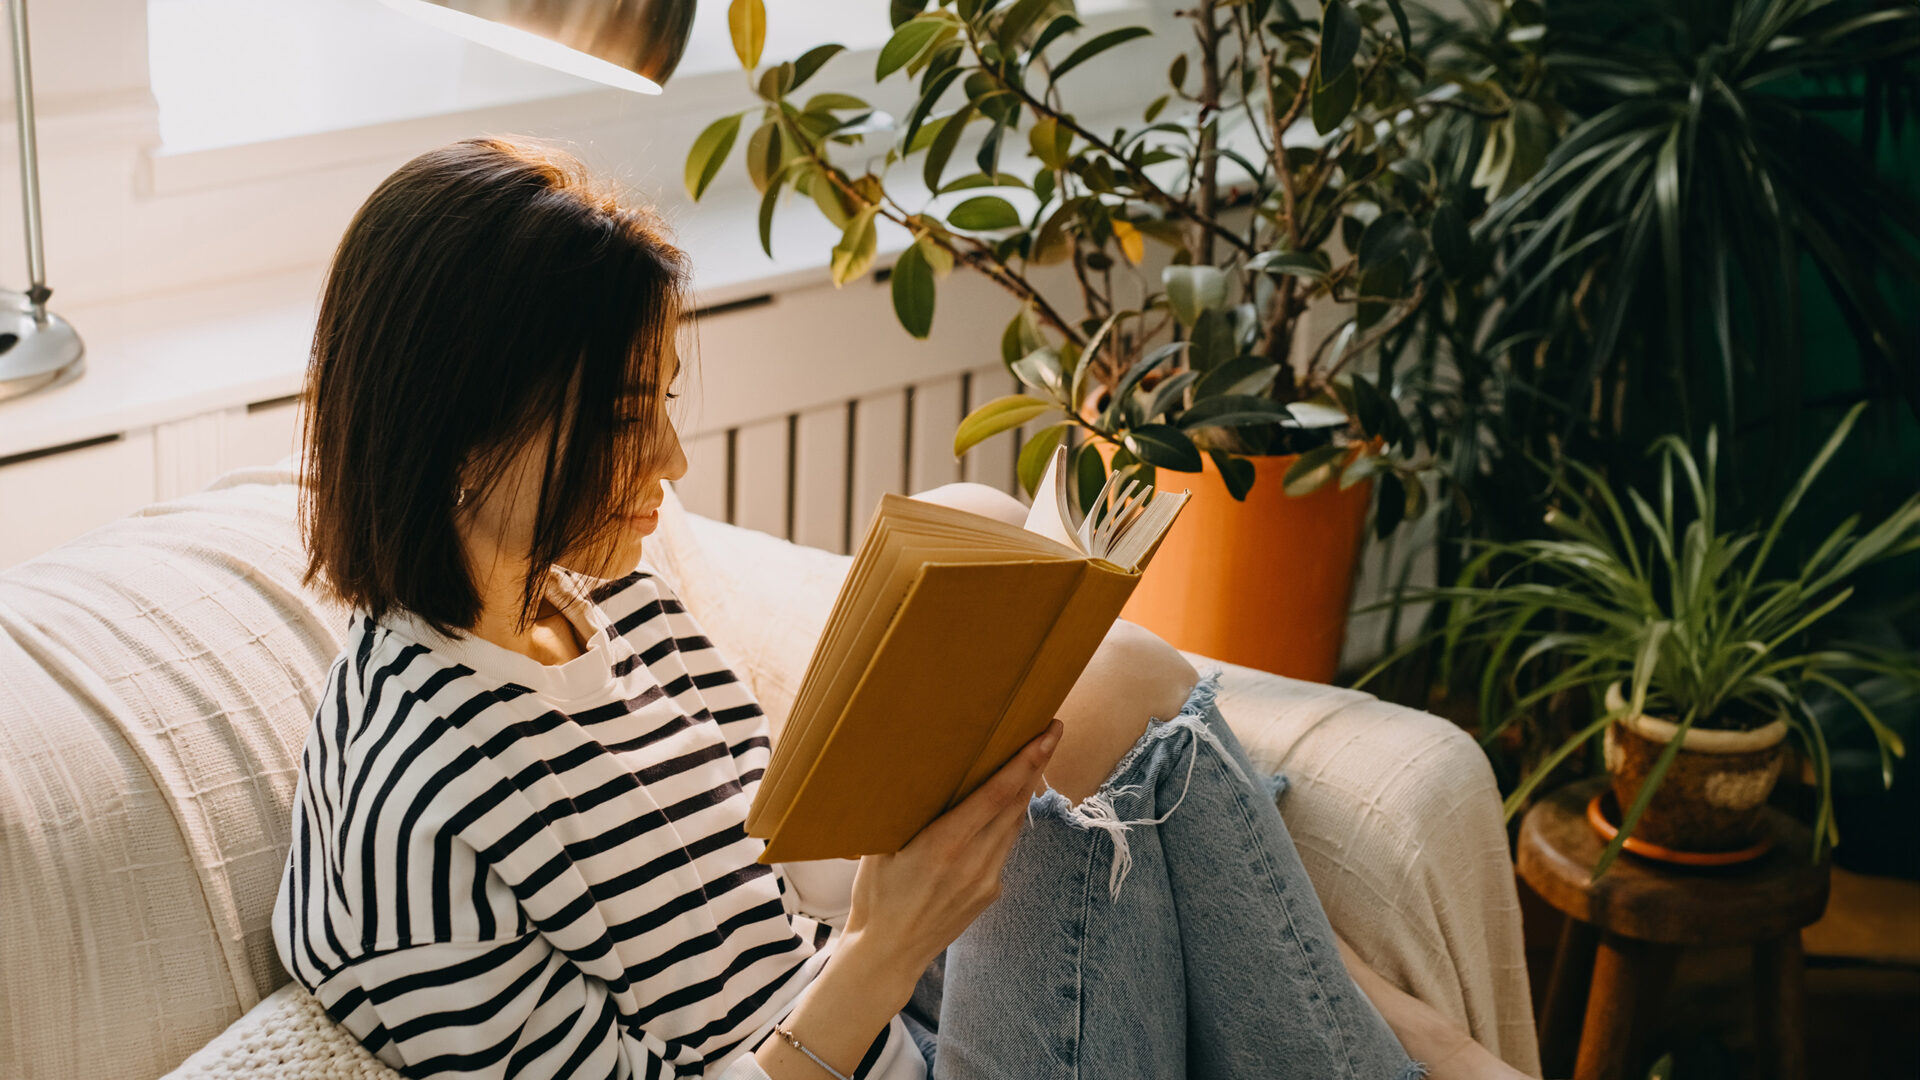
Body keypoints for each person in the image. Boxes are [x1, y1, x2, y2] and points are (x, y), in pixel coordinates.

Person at [273, 136, 1530, 1080]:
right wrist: (887, 947)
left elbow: (781, 875)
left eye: (660, 402)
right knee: (1075, 795)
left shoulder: (611, 605)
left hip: (903, 1032)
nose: (670, 461)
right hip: (866, 1033)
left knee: (1088, 678)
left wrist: (912, 783)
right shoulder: (419, 823)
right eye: (619, 420)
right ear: (454, 434)